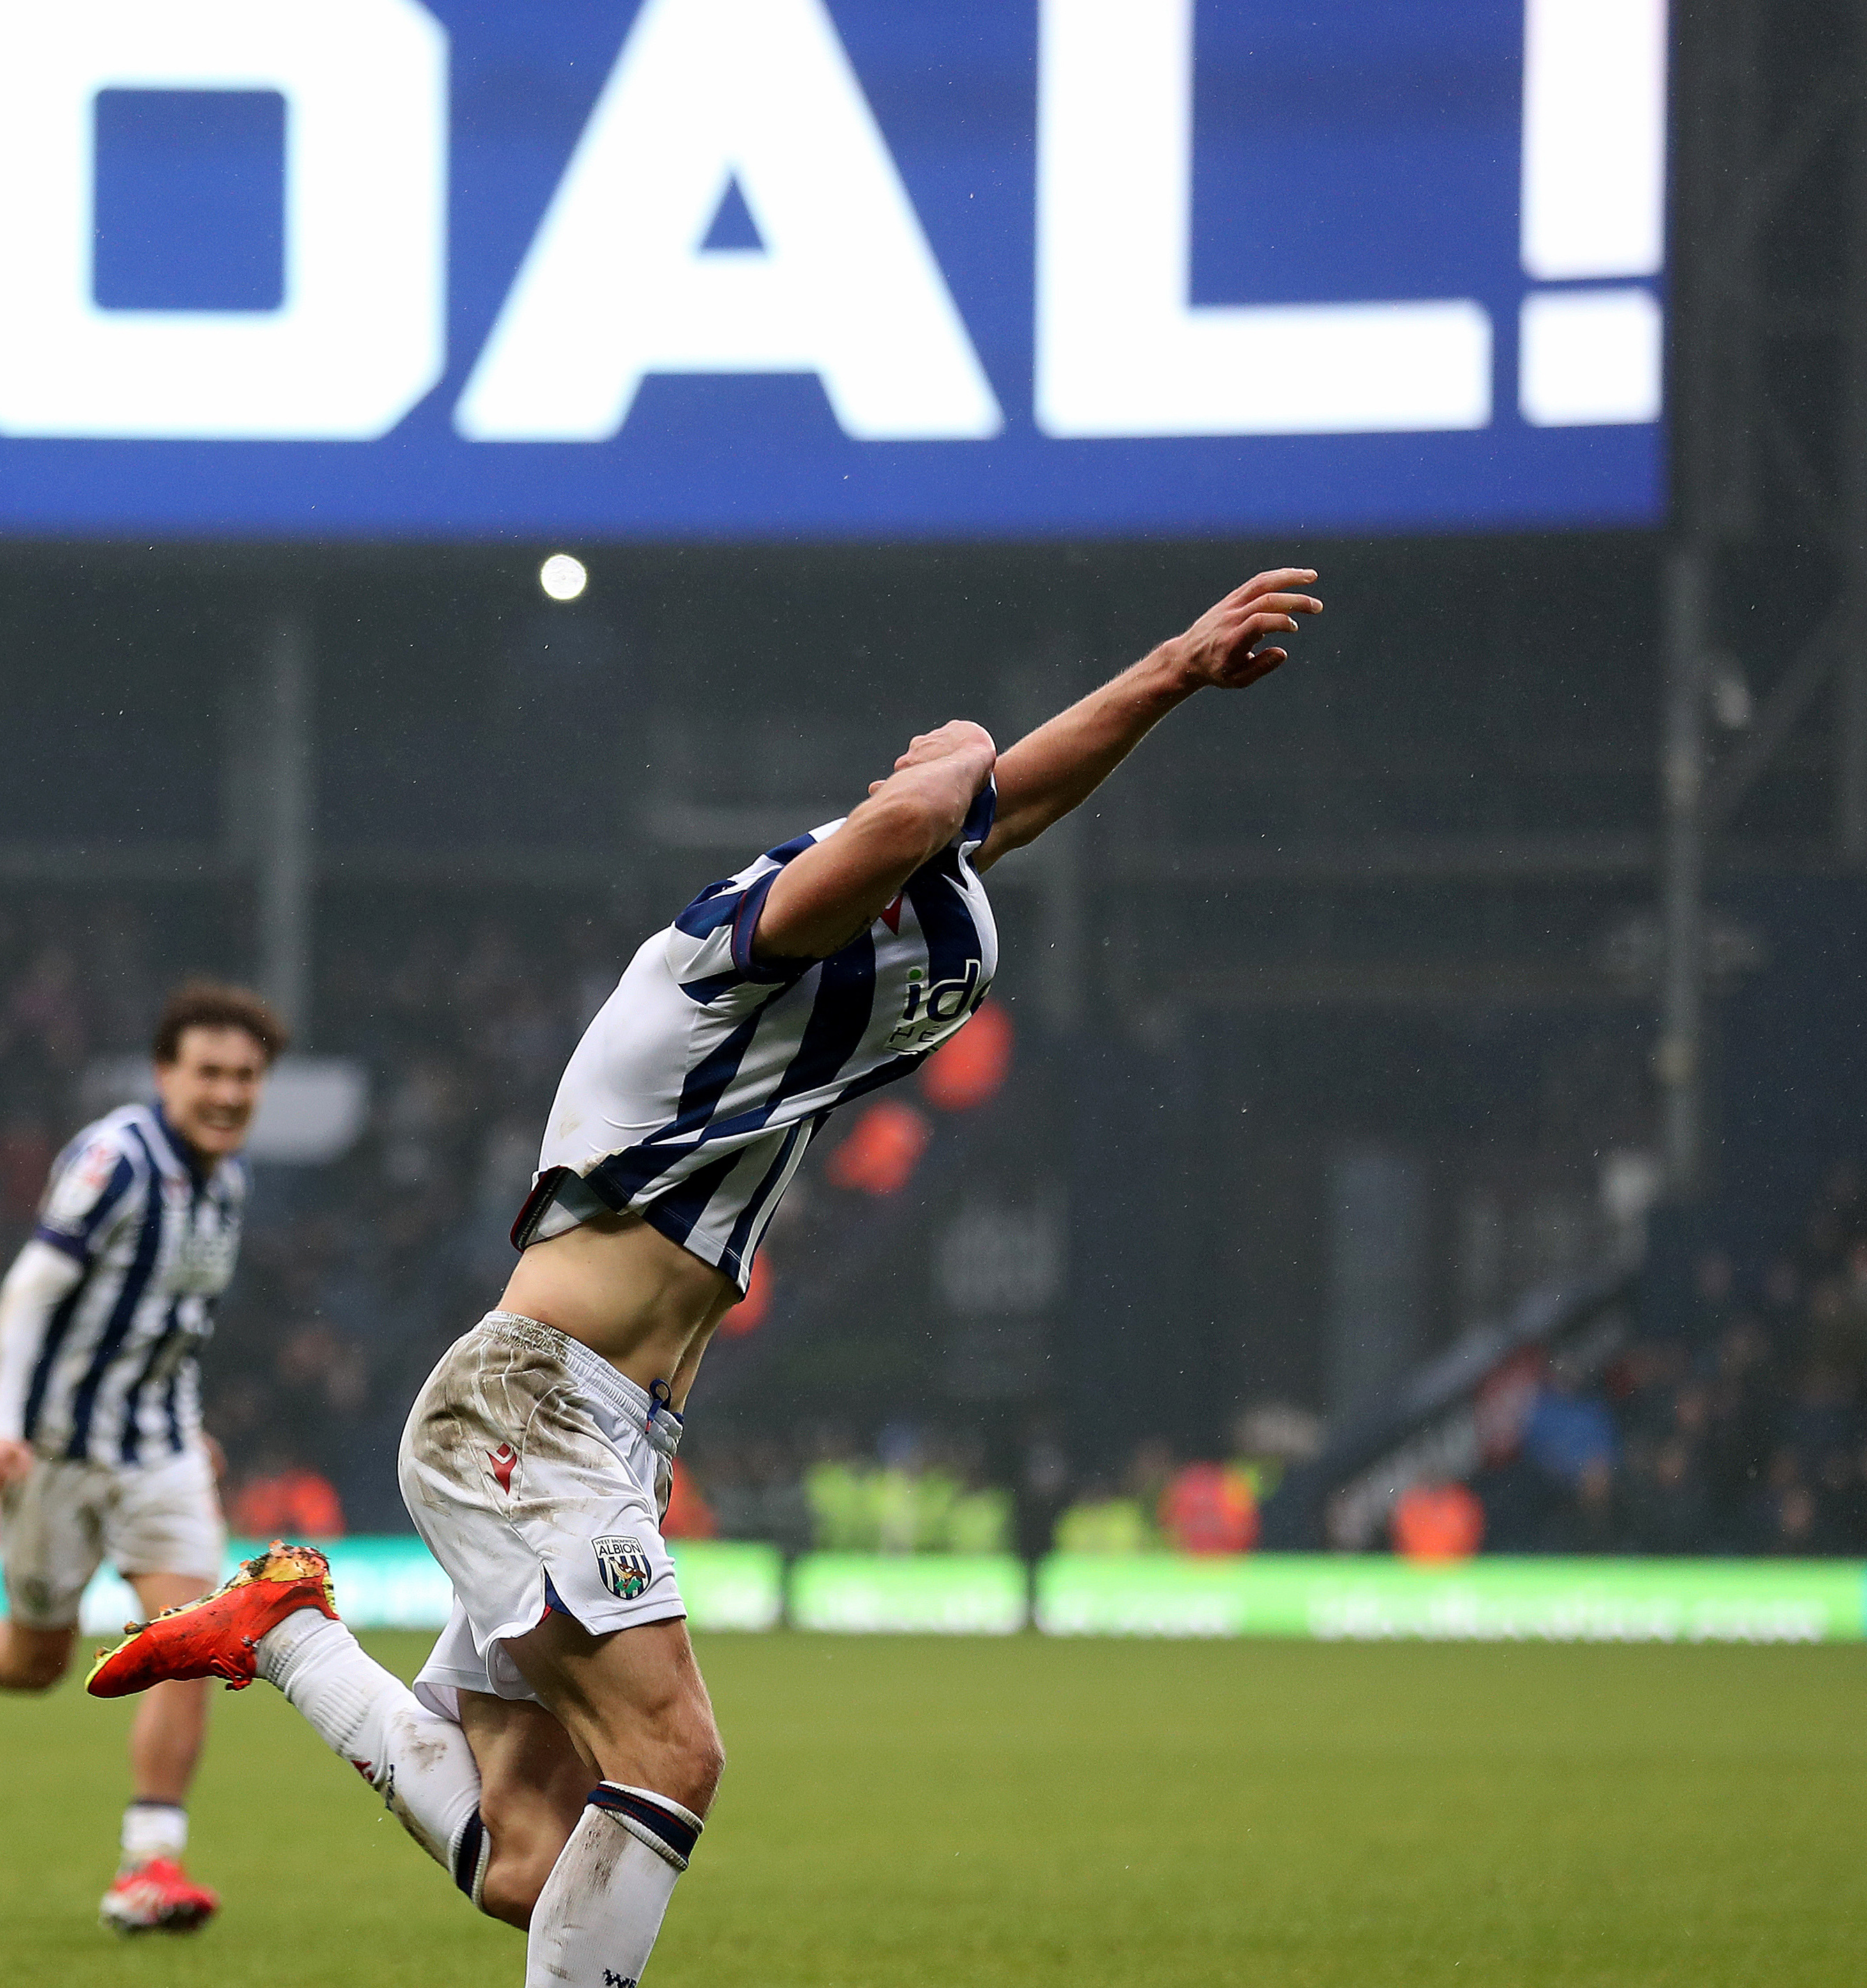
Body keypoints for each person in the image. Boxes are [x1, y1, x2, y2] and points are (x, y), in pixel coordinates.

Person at [88, 570, 1322, 1986]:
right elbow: (938, 807)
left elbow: (992, 808)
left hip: (608, 1428)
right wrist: (958, 742)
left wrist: (1167, 670)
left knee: (534, 1863)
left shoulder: (867, 926)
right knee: (673, 1753)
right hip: (527, 1411)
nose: (925, 769)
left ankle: (293, 1631)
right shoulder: (721, 956)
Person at [0, 981, 286, 1934]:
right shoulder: (114, 1161)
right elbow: (29, 1293)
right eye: (209, 1073)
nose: (227, 1093)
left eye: (245, 1077)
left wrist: (181, 1416)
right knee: (31, 1661)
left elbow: (168, 1319)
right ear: (164, 1074)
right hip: (52, 1454)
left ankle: (148, 1868)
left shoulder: (228, 1179)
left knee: (191, 1642)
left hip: (162, 1454)